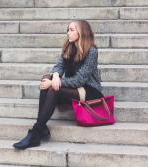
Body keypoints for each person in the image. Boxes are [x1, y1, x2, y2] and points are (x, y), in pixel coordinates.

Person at [13, 20, 104, 150]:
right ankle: (41, 127)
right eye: (68, 30)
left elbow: (79, 80)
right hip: (74, 87)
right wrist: (55, 76)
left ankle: (36, 131)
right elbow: (59, 66)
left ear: (81, 31)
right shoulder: (69, 47)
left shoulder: (92, 52)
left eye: (71, 30)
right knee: (46, 79)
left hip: (89, 91)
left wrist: (56, 82)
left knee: (53, 89)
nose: (68, 33)